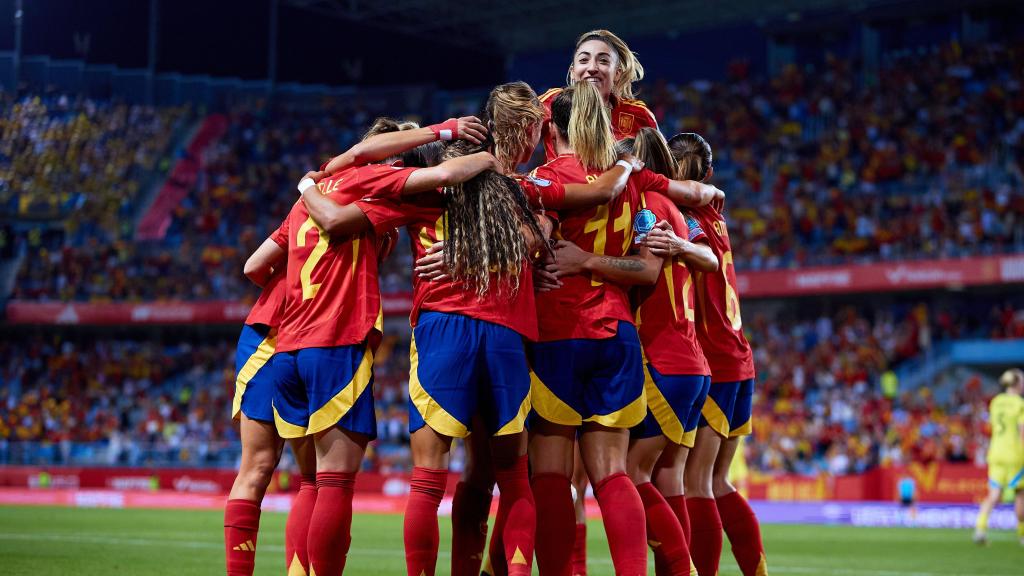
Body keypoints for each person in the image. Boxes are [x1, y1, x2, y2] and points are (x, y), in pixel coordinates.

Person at [247, 117, 499, 576]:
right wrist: (486, 156)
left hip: (287, 347)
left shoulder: (314, 190)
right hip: (335, 342)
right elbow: (444, 174)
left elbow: (254, 267)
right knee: (334, 483)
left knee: (309, 483)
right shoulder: (373, 181)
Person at [546, 127, 719, 575]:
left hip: (659, 357)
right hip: (689, 360)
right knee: (669, 477)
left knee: (621, 473)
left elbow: (645, 271)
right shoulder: (682, 214)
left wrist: (584, 259)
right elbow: (709, 258)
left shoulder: (646, 206)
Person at [666, 132, 769, 576]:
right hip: (739, 356)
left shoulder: (683, 218)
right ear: (708, 173)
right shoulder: (714, 213)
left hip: (714, 360)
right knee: (717, 480)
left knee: (695, 481)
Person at [224, 268, 317, 576]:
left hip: (301, 335)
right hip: (283, 334)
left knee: (305, 474)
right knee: (309, 475)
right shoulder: (359, 236)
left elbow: (254, 266)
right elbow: (252, 266)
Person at [974, 368, 1024, 546]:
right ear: (1017, 384)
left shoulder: (995, 402)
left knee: (994, 494)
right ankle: (1022, 535)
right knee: (1020, 495)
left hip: (996, 452)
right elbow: (1022, 432)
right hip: (1015, 454)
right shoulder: (1020, 404)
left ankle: (980, 528)